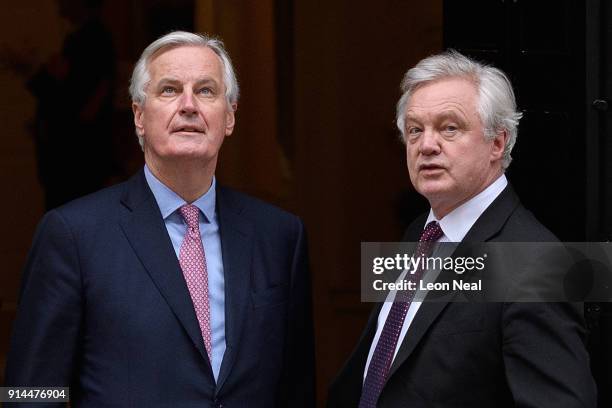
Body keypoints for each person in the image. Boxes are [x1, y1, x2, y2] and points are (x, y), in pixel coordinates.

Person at [4, 31, 315, 407]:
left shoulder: (280, 236)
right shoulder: (73, 234)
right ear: (139, 116)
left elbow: (296, 389)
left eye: (206, 91)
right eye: (169, 90)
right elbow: (30, 392)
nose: (188, 105)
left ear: (229, 116)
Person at [327, 51, 596, 407]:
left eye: (449, 128)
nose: (426, 145)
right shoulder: (419, 234)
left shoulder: (537, 263)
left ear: (497, 144)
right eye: (414, 130)